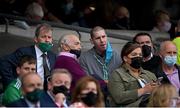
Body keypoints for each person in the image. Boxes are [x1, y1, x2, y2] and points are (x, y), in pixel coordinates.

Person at [0, 23, 56, 89]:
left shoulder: (53, 56)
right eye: (43, 37)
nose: (47, 40)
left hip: (43, 94)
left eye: (49, 37)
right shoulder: (24, 52)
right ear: (36, 39)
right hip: (24, 92)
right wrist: (11, 84)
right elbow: (3, 62)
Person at [79, 26, 121, 105]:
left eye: (103, 37)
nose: (102, 40)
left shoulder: (116, 55)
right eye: (98, 38)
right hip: (96, 96)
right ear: (92, 41)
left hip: (115, 95)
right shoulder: (84, 58)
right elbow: (86, 81)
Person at [108, 42, 157, 107]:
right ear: (125, 58)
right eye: (134, 55)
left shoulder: (150, 74)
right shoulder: (116, 74)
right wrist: (143, 90)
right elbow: (119, 97)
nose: (138, 57)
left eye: (140, 55)